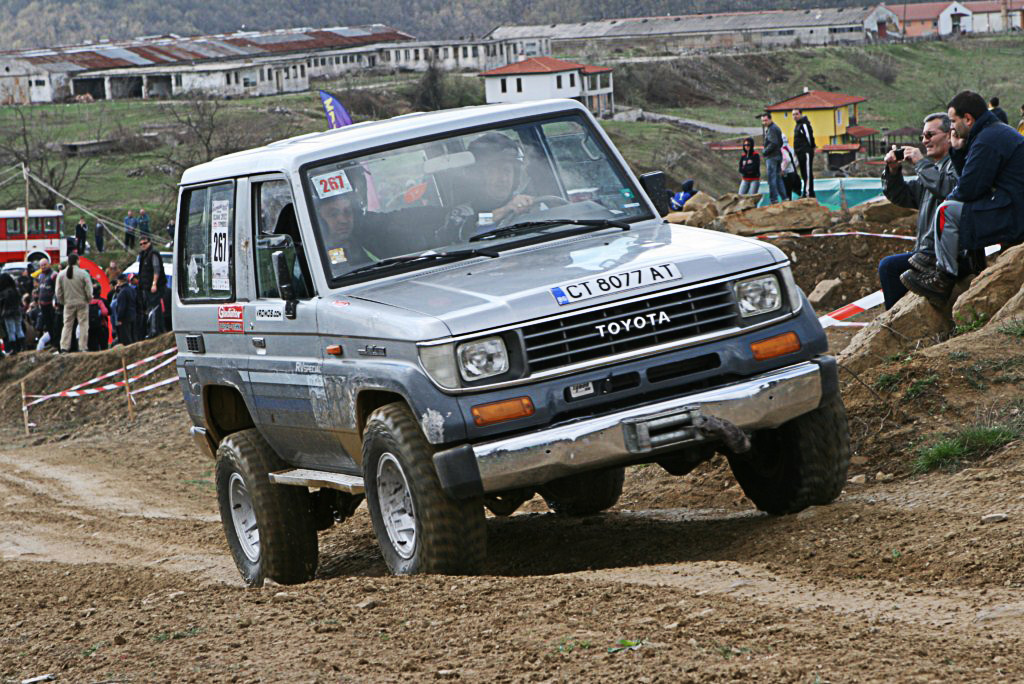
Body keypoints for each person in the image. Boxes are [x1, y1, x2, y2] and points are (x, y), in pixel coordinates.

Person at [902, 91, 1024, 305]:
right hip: (1013, 204)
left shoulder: (987, 140)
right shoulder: (992, 132)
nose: (951, 127)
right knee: (961, 208)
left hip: (1015, 211)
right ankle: (955, 263)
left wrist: (951, 199)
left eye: (953, 121)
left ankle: (942, 278)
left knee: (947, 211)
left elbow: (968, 189)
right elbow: (972, 183)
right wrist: (958, 151)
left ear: (967, 119)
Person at [878, 113, 959, 309]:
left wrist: (921, 164)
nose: (925, 141)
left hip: (947, 257)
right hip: (927, 252)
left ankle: (896, 322)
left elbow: (948, 189)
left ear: (949, 135)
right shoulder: (933, 169)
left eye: (930, 135)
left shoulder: (957, 164)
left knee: (889, 267)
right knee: (892, 267)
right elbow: (902, 196)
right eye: (922, 136)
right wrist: (893, 171)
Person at [55, 254, 92, 353]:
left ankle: (64, 346)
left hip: (68, 303)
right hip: (82, 302)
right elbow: (89, 289)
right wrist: (89, 299)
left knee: (67, 325)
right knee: (83, 325)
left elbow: (58, 292)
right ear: (77, 261)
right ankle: (83, 347)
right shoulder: (83, 273)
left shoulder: (61, 274)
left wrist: (62, 301)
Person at [136, 235, 166, 338]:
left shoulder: (153, 253)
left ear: (149, 242)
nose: (143, 245)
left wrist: (154, 283)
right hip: (145, 286)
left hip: (153, 286)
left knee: (154, 308)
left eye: (145, 243)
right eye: (141, 244)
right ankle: (151, 330)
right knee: (149, 308)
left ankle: (154, 330)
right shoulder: (143, 255)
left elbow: (156, 269)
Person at [759, 112, 786, 204]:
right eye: (762, 121)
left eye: (766, 120)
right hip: (777, 155)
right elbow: (780, 143)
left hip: (772, 157)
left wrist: (765, 151)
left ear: (770, 119)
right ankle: (784, 197)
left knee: (772, 179)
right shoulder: (776, 128)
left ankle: (774, 199)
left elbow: (773, 143)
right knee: (778, 178)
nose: (764, 122)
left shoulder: (772, 129)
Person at [791, 108, 816, 197]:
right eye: (793, 114)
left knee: (807, 172)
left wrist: (811, 148)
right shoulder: (797, 125)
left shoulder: (804, 124)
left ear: (801, 114)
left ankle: (808, 193)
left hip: (806, 152)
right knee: (803, 173)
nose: (795, 116)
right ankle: (806, 191)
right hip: (799, 153)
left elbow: (809, 137)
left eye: (796, 114)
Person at [35, 258, 57, 348]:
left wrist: (55, 301)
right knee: (48, 324)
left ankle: (56, 343)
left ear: (49, 264)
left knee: (54, 323)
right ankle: (52, 342)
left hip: (51, 304)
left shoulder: (54, 275)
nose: (43, 267)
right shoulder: (40, 276)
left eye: (45, 264)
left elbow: (57, 289)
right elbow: (40, 289)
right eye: (41, 265)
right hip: (43, 304)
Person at [0, 273, 24, 354]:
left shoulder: (2, 292)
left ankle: (14, 349)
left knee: (11, 331)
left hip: (7, 313)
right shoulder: (15, 290)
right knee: (19, 329)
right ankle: (23, 346)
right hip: (17, 311)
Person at [111, 274, 137, 346]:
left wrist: (119, 318)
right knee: (133, 336)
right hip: (133, 315)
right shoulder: (132, 289)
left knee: (126, 338)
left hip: (125, 318)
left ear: (120, 281)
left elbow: (121, 307)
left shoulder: (122, 292)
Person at [87, 283, 109, 352]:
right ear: (100, 291)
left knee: (92, 344)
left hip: (89, 326)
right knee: (103, 345)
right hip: (101, 325)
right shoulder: (101, 301)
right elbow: (106, 312)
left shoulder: (87, 301)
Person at [780, 134, 801, 200]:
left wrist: (782, 169)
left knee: (787, 194)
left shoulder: (782, 149)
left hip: (787, 173)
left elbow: (787, 159)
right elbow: (796, 160)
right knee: (793, 194)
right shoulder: (790, 148)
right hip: (793, 172)